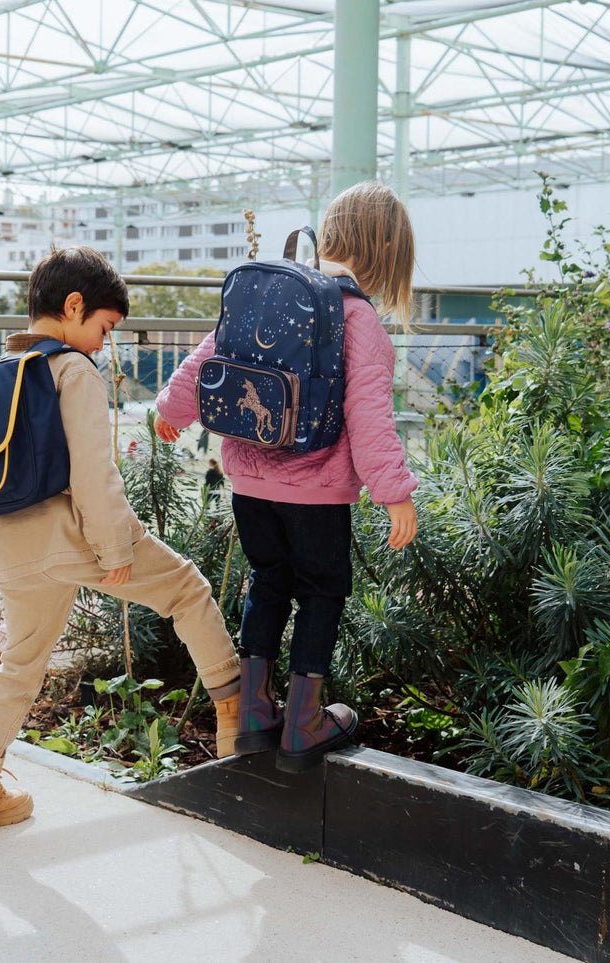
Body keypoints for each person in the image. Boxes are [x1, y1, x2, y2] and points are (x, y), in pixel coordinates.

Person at [0, 246, 242, 840]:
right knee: (187, 590)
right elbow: (94, 474)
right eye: (104, 329)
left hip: (13, 546)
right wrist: (116, 552)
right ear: (74, 307)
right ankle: (235, 717)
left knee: (20, 666)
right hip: (78, 536)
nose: (104, 345)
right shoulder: (73, 371)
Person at [154, 182, 419, 773]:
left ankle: (254, 713)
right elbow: (369, 414)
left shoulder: (271, 294)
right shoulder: (359, 319)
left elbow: (206, 357)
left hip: (249, 482)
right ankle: (302, 724)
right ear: (388, 255)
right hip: (318, 493)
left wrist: (172, 409)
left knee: (268, 582)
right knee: (323, 590)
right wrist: (394, 492)